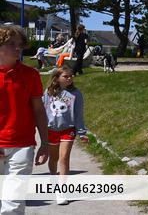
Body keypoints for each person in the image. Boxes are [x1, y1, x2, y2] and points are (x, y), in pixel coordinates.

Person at [0, 25, 50, 215]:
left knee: (13, 204)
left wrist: (45, 142)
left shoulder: (30, 75)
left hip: (22, 146)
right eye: (11, 44)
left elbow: (39, 110)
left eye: (19, 44)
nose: (18, 48)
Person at [43, 66, 89, 205]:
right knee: (54, 158)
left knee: (64, 158)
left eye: (71, 76)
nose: (70, 78)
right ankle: (53, 178)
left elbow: (79, 114)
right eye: (66, 76)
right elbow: (42, 110)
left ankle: (61, 191)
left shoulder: (76, 94)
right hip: (50, 129)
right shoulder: (48, 92)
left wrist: (81, 132)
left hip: (67, 129)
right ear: (57, 78)